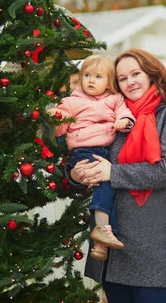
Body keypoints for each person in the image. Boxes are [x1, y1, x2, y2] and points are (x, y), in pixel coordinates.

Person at [68, 48, 166, 303]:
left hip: (151, 243)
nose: (130, 81)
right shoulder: (111, 111)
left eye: (136, 73)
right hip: (110, 241)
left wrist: (112, 172)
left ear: (152, 73)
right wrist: (76, 175)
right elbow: (87, 152)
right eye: (122, 78)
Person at [48, 55, 135, 260]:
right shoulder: (71, 101)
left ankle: (100, 245)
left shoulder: (115, 99)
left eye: (98, 76)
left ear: (109, 81)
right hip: (84, 150)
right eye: (86, 75)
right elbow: (60, 130)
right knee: (104, 185)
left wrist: (124, 121)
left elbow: (125, 113)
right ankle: (102, 229)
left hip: (105, 151)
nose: (91, 80)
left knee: (108, 191)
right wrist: (56, 118)